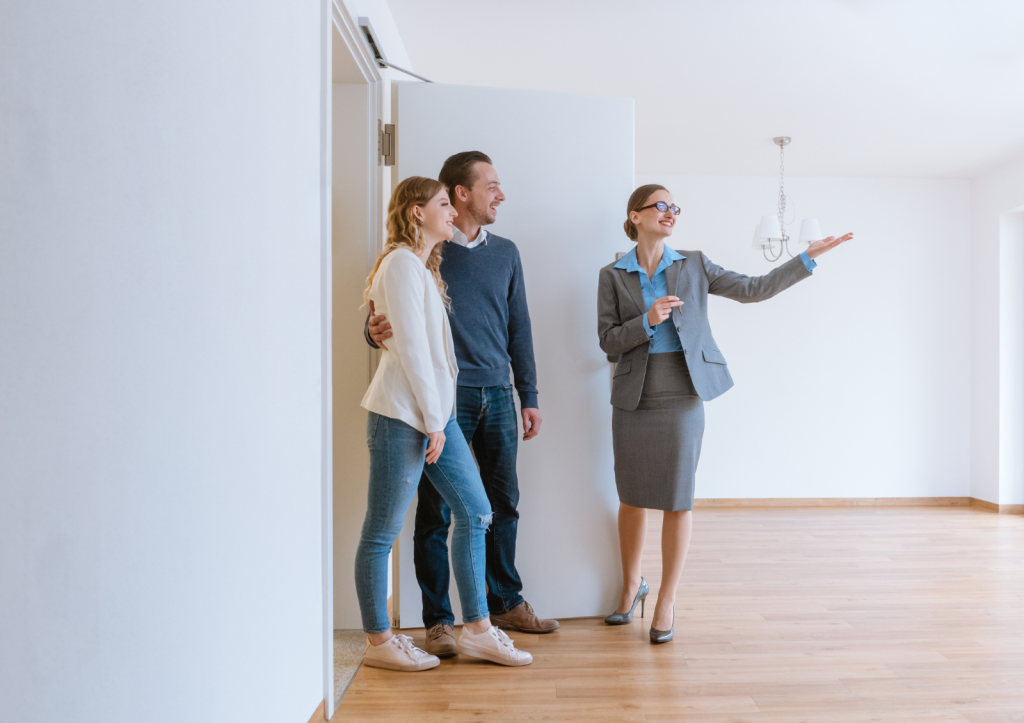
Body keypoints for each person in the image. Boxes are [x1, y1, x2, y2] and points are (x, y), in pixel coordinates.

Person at [597, 184, 853, 644]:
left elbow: (753, 290)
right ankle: (631, 586)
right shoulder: (612, 274)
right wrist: (647, 321)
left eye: (675, 207)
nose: (671, 213)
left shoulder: (693, 263)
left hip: (683, 389)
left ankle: (667, 600)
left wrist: (807, 258)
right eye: (661, 206)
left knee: (677, 496)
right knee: (631, 495)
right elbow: (608, 341)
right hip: (633, 394)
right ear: (635, 216)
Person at [366, 152, 557, 658]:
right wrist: (369, 330)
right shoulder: (423, 254)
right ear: (460, 193)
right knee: (434, 514)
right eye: (490, 185)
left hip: (493, 392)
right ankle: (438, 622)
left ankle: (501, 604)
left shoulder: (500, 252)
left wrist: (528, 394)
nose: (500, 194)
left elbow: (521, 327)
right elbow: (391, 323)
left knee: (496, 505)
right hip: (440, 400)